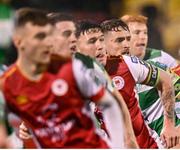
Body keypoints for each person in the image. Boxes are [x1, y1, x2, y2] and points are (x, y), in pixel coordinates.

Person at [0, 8, 130, 148]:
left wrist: (119, 145)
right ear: (19, 42)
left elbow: (111, 104)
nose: (47, 42)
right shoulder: (7, 82)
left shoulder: (74, 68)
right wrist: (28, 128)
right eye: (39, 37)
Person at [101, 18, 179, 148]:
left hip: (160, 140)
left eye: (144, 32)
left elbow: (170, 82)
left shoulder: (157, 61)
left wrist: (171, 126)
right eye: (137, 32)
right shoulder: (90, 73)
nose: (126, 44)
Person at [121, 15, 180, 143]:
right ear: (125, 37)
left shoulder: (162, 58)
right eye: (137, 32)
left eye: (145, 33)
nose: (142, 37)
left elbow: (178, 89)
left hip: (164, 129)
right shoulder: (116, 65)